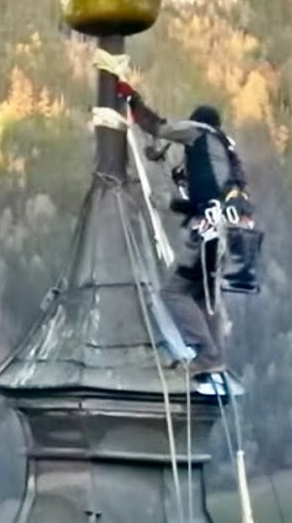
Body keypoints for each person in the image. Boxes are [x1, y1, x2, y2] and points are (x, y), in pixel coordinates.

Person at [115, 78, 251, 377]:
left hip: (211, 232)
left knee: (174, 292)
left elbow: (158, 127)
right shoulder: (224, 157)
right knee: (201, 295)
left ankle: (207, 354)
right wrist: (171, 204)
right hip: (228, 235)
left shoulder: (199, 133)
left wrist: (133, 101)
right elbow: (200, 201)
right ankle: (215, 357)